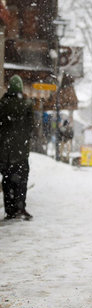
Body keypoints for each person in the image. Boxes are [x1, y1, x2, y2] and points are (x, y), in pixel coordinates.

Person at [0, 75, 34, 220]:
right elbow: (31, 127)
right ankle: (20, 207)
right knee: (21, 180)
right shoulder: (26, 104)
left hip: (4, 152)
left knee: (7, 180)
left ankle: (9, 209)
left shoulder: (2, 104)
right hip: (21, 151)